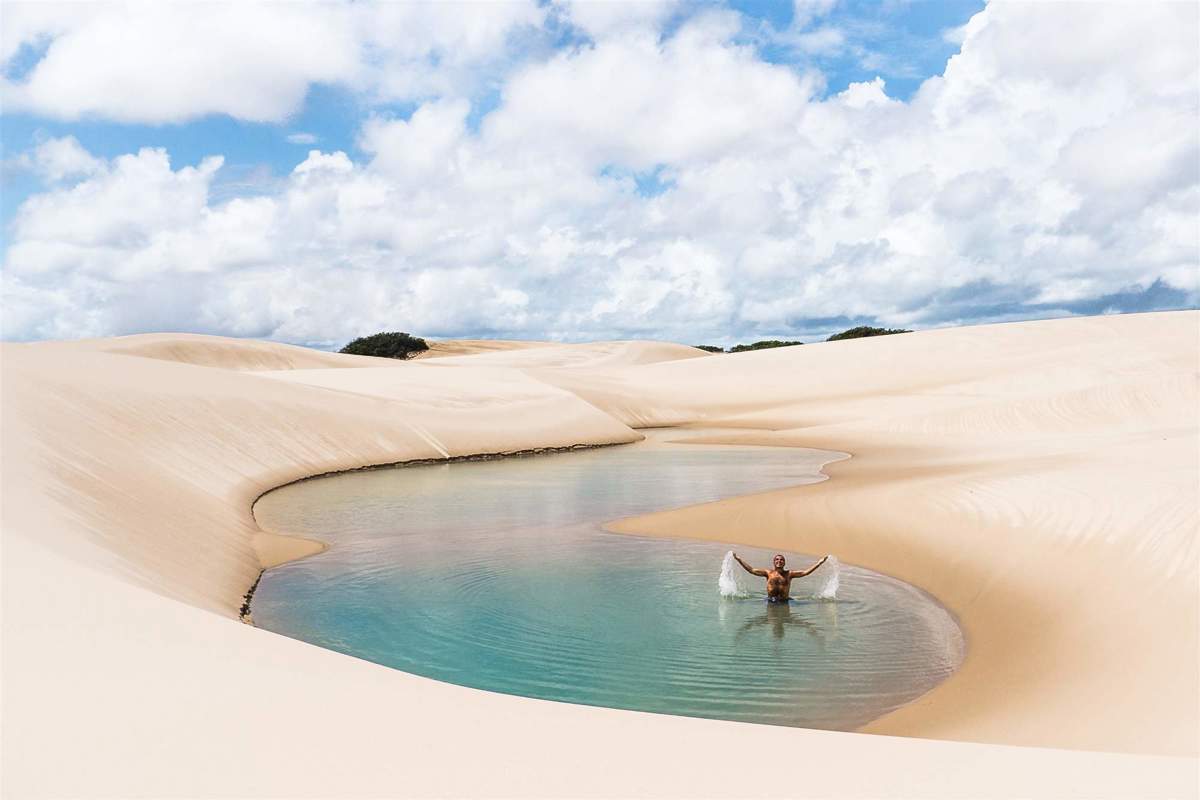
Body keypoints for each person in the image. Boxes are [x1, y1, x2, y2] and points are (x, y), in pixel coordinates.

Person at [732, 552, 829, 603]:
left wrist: (819, 563)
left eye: (782, 560)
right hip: (770, 601)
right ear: (774, 562)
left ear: (784, 563)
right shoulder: (768, 573)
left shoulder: (789, 574)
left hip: (785, 602)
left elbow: (805, 572)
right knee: (771, 619)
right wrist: (739, 559)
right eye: (777, 559)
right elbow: (752, 570)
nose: (779, 561)